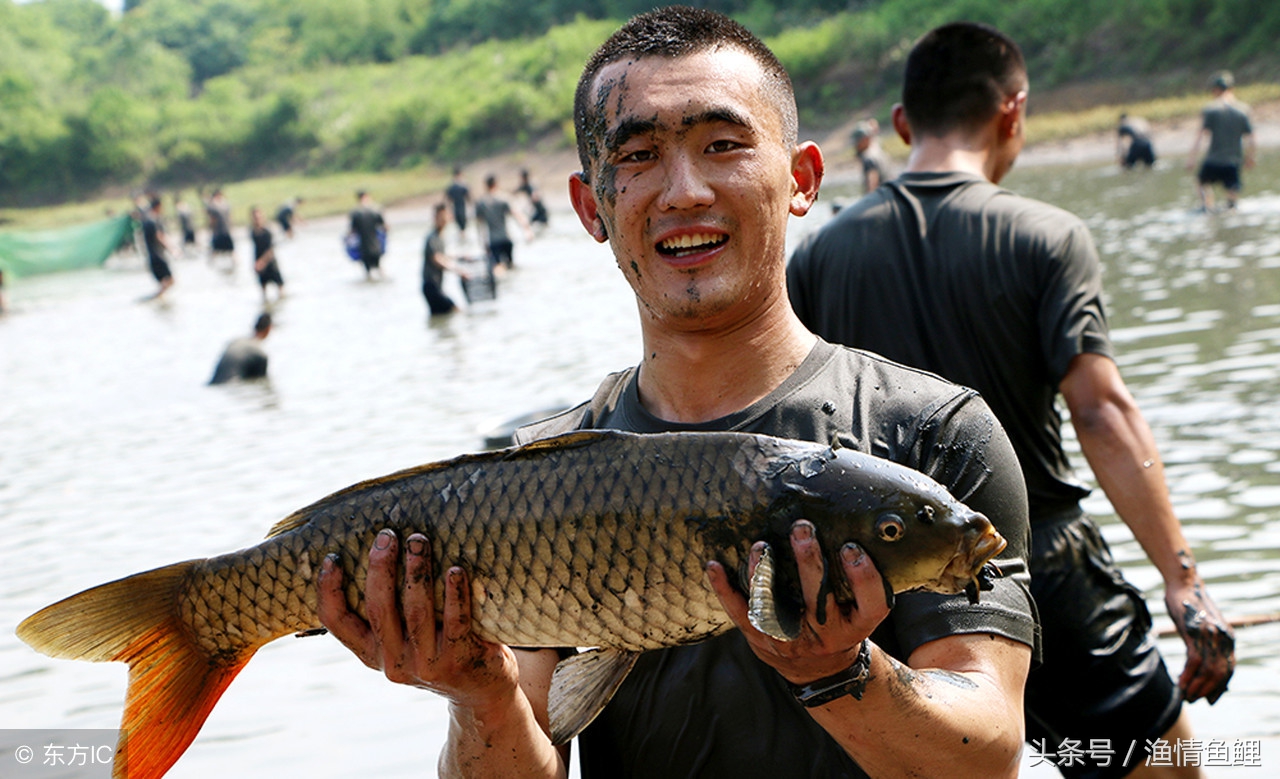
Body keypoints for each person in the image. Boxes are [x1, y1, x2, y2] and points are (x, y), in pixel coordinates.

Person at [316, 8, 1037, 779]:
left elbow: (987, 755)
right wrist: (478, 694)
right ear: (592, 207)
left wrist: (836, 670)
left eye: (722, 145)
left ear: (801, 179)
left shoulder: (932, 434)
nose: (684, 190)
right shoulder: (537, 475)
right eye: (640, 155)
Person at [788, 22, 1235, 779]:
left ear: (902, 125)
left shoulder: (821, 257)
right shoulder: (1047, 237)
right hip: (1042, 571)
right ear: (1014, 111)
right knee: (1160, 769)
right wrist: (1182, 580)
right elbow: (1101, 411)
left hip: (886, 587)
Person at [1187, 70, 1255, 212]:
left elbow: (1200, 136)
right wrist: (1250, 158)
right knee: (1232, 200)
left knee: (1202, 183)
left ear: (1215, 90)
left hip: (1214, 159)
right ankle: (1231, 209)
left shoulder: (1210, 109)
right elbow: (1251, 139)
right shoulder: (1243, 109)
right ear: (1232, 88)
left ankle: (1207, 206)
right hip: (1234, 160)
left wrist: (1192, 158)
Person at [474, 173, 532, 273]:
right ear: (496, 184)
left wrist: (483, 243)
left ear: (485, 185)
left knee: (497, 268)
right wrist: (527, 230)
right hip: (506, 239)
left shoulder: (481, 203)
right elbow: (517, 215)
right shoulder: (503, 198)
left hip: (493, 241)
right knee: (511, 266)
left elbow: (479, 225)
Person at [209, 312, 271, 385]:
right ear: (268, 329)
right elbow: (261, 384)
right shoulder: (260, 354)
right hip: (232, 386)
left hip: (213, 384)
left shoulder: (234, 342)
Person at [422, 203, 461, 316]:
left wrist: (461, 257)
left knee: (440, 316)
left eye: (445, 217)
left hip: (437, 286)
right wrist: (458, 271)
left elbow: (443, 256)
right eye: (441, 218)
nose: (443, 220)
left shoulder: (440, 236)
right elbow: (437, 259)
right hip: (431, 286)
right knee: (455, 310)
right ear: (435, 218)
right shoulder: (432, 237)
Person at [140, 195, 175, 301]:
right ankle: (156, 298)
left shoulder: (147, 220)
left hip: (152, 256)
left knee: (164, 282)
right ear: (158, 206)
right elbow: (159, 236)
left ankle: (159, 298)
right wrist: (172, 249)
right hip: (158, 255)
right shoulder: (152, 220)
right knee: (170, 280)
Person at [348, 190, 387, 280]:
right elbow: (385, 227)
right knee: (379, 269)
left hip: (363, 248)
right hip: (376, 246)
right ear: (367, 197)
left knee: (368, 273)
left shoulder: (355, 213)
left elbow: (352, 231)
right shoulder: (375, 210)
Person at [250, 206, 285, 304]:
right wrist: (256, 263)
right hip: (259, 263)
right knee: (263, 291)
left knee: (280, 288)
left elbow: (271, 249)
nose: (257, 219)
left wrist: (262, 262)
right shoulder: (252, 232)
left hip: (270, 263)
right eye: (255, 217)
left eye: (258, 217)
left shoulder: (268, 231)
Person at [851, 118, 892, 193]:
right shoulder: (877, 149)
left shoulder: (869, 159)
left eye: (858, 141)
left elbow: (872, 186)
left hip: (880, 200)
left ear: (865, 140)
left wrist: (868, 202)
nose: (856, 146)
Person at [205, 188, 235, 270]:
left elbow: (212, 220)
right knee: (230, 251)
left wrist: (210, 229)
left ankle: (211, 266)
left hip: (219, 232)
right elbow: (230, 218)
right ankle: (234, 264)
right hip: (225, 231)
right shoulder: (225, 204)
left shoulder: (213, 206)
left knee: (216, 251)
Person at [445, 167, 471, 233]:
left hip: (456, 210)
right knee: (463, 229)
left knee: (459, 229)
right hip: (463, 210)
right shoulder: (464, 186)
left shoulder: (451, 187)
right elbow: (469, 198)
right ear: (460, 174)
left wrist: (449, 212)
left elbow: (448, 201)